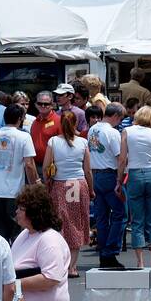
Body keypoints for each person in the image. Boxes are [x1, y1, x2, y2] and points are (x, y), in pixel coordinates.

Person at [0, 104, 37, 244]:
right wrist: (35, 183)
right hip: (14, 192)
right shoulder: (24, 136)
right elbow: (29, 164)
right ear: (20, 119)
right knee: (17, 233)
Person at [45, 110, 91, 277]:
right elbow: (87, 170)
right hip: (79, 183)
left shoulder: (53, 142)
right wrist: (91, 189)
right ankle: (73, 266)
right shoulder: (83, 143)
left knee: (60, 223)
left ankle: (62, 264)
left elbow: (46, 167)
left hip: (60, 184)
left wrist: (47, 182)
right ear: (75, 124)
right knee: (76, 223)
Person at [120, 106, 151, 272]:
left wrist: (119, 179)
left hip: (135, 174)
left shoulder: (127, 132)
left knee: (137, 219)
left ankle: (140, 262)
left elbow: (122, 158)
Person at [87, 103, 126, 269]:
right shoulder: (112, 132)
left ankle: (104, 250)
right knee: (120, 213)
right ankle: (110, 251)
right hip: (109, 174)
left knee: (102, 216)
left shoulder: (92, 129)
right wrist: (119, 180)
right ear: (116, 116)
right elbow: (120, 158)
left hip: (96, 174)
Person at [30, 91, 62, 174]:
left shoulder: (59, 121)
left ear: (52, 105)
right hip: (36, 166)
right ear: (36, 105)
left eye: (46, 104)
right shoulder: (35, 122)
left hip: (53, 167)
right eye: (40, 103)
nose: (43, 106)